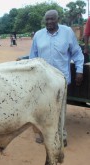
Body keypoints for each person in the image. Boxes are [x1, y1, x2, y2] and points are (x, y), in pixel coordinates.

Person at [29, 9, 84, 147]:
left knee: (60, 110)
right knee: (42, 109)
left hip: (61, 80)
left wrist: (79, 71)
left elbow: (77, 53)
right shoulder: (38, 35)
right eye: (47, 19)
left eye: (52, 19)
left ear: (57, 19)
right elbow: (32, 57)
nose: (49, 22)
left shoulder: (67, 33)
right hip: (42, 80)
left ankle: (61, 136)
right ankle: (42, 134)